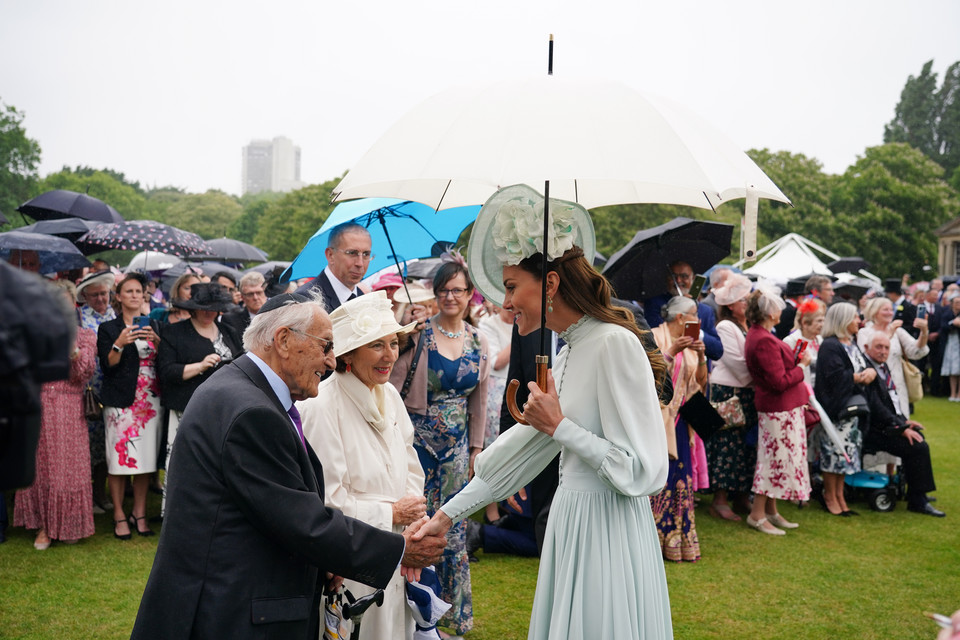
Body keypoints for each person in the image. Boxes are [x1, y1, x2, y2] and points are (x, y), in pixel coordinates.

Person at [414, 185, 673, 639]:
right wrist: (444, 516)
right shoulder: (569, 348)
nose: (505, 302)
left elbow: (645, 472)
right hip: (570, 518)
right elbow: (525, 447)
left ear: (550, 283)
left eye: (512, 286)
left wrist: (561, 426)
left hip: (608, 528)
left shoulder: (613, 343)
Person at [130, 292, 447, 640]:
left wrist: (324, 561)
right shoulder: (252, 411)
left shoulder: (244, 392)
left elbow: (277, 513)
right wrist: (400, 548)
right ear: (283, 340)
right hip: (229, 612)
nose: (330, 362)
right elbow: (304, 522)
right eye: (326, 346)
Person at [297, 291, 425, 639]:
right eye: (376, 345)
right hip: (352, 560)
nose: (389, 356)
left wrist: (414, 525)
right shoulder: (322, 406)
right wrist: (392, 514)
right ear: (348, 354)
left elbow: (411, 466)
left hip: (398, 552)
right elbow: (327, 502)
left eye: (393, 343)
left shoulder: (391, 396)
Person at [389, 260, 490, 636]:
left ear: (468, 295)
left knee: (452, 529)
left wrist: (477, 448)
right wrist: (403, 331)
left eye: (458, 290)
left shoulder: (478, 340)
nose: (450, 296)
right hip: (417, 448)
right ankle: (415, 614)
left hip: (456, 453)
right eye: (444, 289)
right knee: (416, 527)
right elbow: (392, 391)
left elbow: (479, 401)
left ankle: (452, 617)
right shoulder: (419, 335)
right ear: (435, 293)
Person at [13, 280, 97, 549]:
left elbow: (83, 374)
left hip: (69, 408)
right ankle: (44, 527)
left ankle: (69, 523)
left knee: (68, 468)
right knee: (41, 467)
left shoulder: (85, 336)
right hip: (37, 405)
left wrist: (71, 349)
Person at [156, 283, 242, 514]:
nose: (209, 313)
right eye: (204, 308)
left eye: (214, 309)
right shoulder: (174, 333)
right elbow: (166, 373)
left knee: (218, 462)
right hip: (187, 409)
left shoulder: (229, 332)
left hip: (224, 411)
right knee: (182, 462)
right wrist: (200, 366)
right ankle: (177, 512)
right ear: (192, 308)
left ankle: (214, 510)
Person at [96, 272, 162, 539]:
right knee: (119, 458)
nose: (135, 295)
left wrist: (157, 342)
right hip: (121, 402)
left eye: (139, 291)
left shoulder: (153, 326)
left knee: (145, 460)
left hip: (149, 401)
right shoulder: (109, 328)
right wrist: (120, 343)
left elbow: (165, 360)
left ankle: (140, 512)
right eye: (130, 291)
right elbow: (108, 364)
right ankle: (119, 514)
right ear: (119, 297)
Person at [744, 287, 811, 535]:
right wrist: (801, 366)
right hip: (777, 409)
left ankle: (770, 510)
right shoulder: (762, 339)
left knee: (777, 460)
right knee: (772, 461)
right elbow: (778, 382)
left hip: (780, 409)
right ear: (770, 312)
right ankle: (757, 514)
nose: (781, 310)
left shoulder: (761, 335)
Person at [861, 332, 944, 517]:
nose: (883, 352)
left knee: (918, 438)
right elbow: (875, 407)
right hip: (872, 429)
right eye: (879, 347)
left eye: (886, 348)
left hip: (886, 424)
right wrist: (900, 428)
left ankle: (915, 491)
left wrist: (904, 422)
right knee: (917, 446)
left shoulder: (882, 366)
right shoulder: (867, 369)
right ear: (866, 348)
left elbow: (890, 403)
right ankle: (917, 501)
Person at [651, 296, 706, 562]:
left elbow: (699, 384)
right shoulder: (653, 337)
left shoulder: (692, 347)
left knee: (680, 481)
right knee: (660, 478)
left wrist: (703, 356)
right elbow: (649, 374)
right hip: (657, 421)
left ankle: (677, 538)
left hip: (681, 423)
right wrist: (671, 351)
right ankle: (652, 538)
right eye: (695, 313)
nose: (700, 319)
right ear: (680, 318)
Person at [705, 273, 756, 522]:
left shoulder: (748, 326)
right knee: (727, 445)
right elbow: (737, 363)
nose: (747, 304)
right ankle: (720, 499)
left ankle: (741, 495)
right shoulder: (725, 327)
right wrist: (761, 378)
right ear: (731, 306)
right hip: (729, 392)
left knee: (745, 446)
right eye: (743, 301)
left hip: (745, 391)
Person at [814, 303, 873, 516]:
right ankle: (830, 495)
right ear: (843, 320)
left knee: (845, 456)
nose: (859, 321)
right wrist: (859, 377)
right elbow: (834, 377)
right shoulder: (830, 345)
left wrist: (870, 373)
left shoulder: (851, 343)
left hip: (851, 411)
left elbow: (863, 365)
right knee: (833, 455)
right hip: (836, 410)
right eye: (855, 317)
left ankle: (840, 495)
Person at [76, 270, 117, 512]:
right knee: (87, 444)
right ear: (86, 296)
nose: (101, 299)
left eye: (104, 294)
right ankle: (86, 495)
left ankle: (100, 493)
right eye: (95, 295)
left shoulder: (114, 315)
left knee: (105, 443)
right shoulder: (79, 317)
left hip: (109, 388)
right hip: (87, 390)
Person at [857, 296, 929, 417]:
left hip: (897, 385)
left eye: (891, 309)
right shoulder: (865, 332)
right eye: (885, 310)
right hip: (876, 386)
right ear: (874, 312)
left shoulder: (898, 331)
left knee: (902, 422)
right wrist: (889, 334)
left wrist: (924, 331)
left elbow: (916, 351)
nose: (890, 313)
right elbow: (868, 356)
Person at [643, 259, 723, 361]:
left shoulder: (705, 311)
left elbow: (717, 351)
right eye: (673, 277)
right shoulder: (655, 303)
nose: (679, 281)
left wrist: (696, 331)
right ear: (667, 279)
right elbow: (653, 338)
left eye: (684, 276)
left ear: (693, 279)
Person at [295, 222, 372, 310]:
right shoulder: (306, 300)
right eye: (352, 253)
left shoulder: (363, 299)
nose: (360, 263)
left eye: (366, 254)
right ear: (330, 255)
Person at [221, 271, 267, 336]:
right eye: (250, 294)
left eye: (259, 293)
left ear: (266, 293)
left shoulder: (277, 316)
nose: (255, 298)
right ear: (242, 297)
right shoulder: (231, 320)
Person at [940, 294, 960, 401]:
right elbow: (943, 326)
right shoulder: (947, 313)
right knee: (952, 369)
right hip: (950, 343)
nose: (958, 305)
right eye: (956, 302)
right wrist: (954, 324)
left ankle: (959, 394)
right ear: (952, 304)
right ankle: (952, 393)